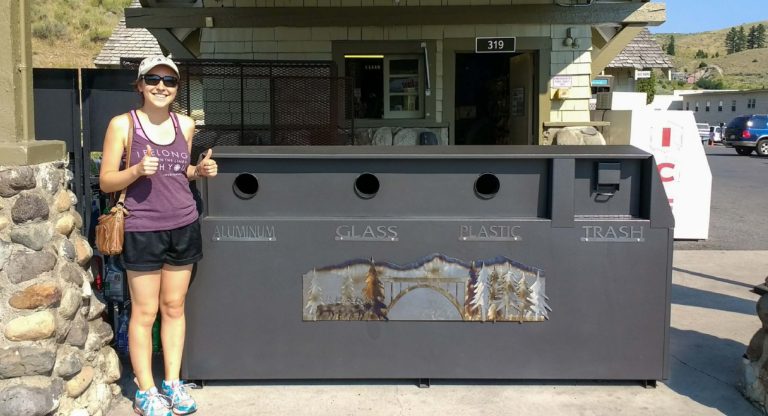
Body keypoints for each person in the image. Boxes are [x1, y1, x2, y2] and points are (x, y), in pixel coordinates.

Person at [99, 56, 218, 416]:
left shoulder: (185, 125)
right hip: (142, 228)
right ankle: (146, 390)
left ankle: (173, 383)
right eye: (153, 80)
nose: (161, 86)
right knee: (145, 311)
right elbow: (106, 180)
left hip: (183, 223)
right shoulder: (122, 125)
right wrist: (135, 170)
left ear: (177, 88)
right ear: (139, 85)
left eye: (169, 81)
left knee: (174, 307)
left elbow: (178, 170)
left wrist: (199, 170)